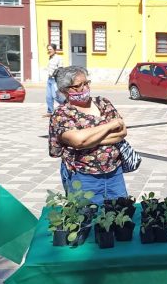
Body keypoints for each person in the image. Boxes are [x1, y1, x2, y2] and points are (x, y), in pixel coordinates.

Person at [49, 66, 128, 204]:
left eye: (86, 83)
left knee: (120, 215)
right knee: (86, 219)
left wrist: (88, 139)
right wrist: (109, 126)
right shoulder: (62, 113)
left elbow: (121, 132)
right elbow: (78, 141)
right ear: (64, 91)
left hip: (114, 173)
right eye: (78, 86)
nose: (84, 88)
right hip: (83, 177)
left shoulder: (102, 102)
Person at [45, 44, 64, 117]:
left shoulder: (59, 58)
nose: (49, 51)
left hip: (55, 80)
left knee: (55, 96)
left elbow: (61, 69)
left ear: (55, 50)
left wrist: (55, 74)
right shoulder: (50, 58)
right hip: (49, 79)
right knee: (48, 96)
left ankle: (66, 105)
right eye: (48, 49)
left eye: (50, 49)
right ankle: (50, 112)